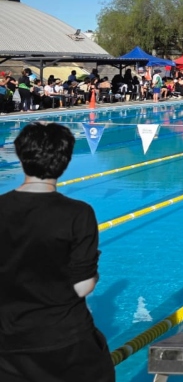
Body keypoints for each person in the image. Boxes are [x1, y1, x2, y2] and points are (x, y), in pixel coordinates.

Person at [0, 123, 115, 381]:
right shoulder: (78, 213)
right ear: (65, 160)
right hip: (66, 343)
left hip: (8, 345)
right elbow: (83, 287)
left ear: (21, 156)